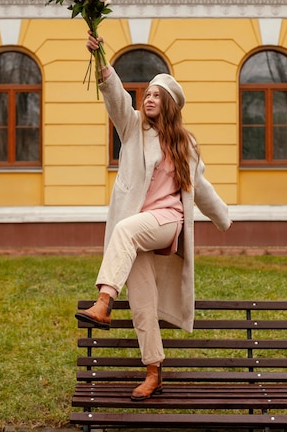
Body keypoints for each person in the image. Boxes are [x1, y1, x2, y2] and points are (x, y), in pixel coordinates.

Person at [76, 32, 232, 401]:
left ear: (171, 105)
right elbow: (115, 97)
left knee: (125, 230)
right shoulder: (132, 128)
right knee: (143, 298)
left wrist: (223, 218)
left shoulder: (184, 145)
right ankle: (154, 371)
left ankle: (103, 301)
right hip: (138, 228)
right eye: (147, 93)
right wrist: (101, 61)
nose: (148, 98)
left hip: (166, 223)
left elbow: (202, 189)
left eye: (156, 95)